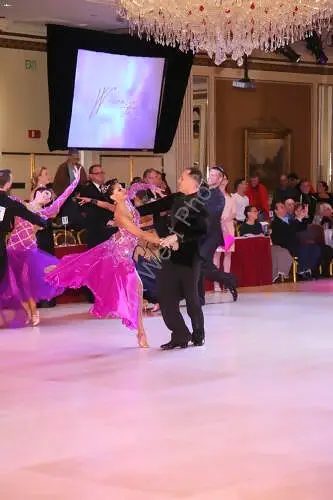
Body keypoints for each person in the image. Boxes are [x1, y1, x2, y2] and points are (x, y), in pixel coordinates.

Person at [45, 180, 162, 348]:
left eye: (122, 187)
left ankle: (140, 331)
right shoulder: (119, 214)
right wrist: (161, 240)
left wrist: (152, 187)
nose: (124, 190)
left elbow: (130, 190)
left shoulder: (124, 200)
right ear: (114, 196)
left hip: (121, 249)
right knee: (132, 287)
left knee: (135, 289)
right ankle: (141, 332)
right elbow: (137, 232)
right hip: (120, 255)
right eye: (120, 189)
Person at [0, 169, 81, 327]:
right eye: (43, 192)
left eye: (49, 196)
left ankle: (34, 312)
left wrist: (75, 181)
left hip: (27, 251)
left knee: (25, 283)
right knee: (14, 285)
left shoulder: (46, 212)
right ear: (35, 193)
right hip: (11, 249)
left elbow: (63, 197)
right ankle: (28, 313)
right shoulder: (18, 203)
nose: (46, 195)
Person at [155, 168, 209, 350]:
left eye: (182, 177)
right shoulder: (176, 198)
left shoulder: (200, 203)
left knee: (191, 298)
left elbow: (201, 230)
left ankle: (198, 333)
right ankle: (180, 334)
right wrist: (122, 209)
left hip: (189, 257)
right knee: (165, 297)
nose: (178, 180)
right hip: (169, 256)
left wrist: (179, 238)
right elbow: (150, 208)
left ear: (193, 181)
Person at [0, 168, 47, 287]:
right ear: (9, 183)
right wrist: (42, 222)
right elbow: (28, 214)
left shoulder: (10, 202)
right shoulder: (9, 202)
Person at [200, 167, 237, 302]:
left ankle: (228, 279)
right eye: (210, 174)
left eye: (214, 175)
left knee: (201, 262)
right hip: (202, 236)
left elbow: (212, 217)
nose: (210, 177)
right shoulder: (203, 192)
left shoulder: (219, 196)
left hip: (212, 236)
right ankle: (228, 280)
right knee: (204, 265)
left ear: (220, 179)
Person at [79, 164, 117, 248]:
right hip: (96, 229)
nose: (101, 175)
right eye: (97, 173)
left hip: (109, 226)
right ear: (91, 176)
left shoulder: (107, 189)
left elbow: (111, 206)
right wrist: (108, 221)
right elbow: (92, 210)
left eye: (102, 172)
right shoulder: (87, 189)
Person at [53, 149, 87, 228]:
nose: (76, 160)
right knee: (66, 216)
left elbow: (84, 182)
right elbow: (59, 183)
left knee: (77, 216)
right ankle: (65, 229)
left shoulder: (80, 167)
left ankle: (77, 230)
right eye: (74, 158)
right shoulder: (63, 167)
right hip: (65, 199)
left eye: (77, 159)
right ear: (69, 157)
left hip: (77, 197)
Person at [213, 171, 236, 286]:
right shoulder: (214, 194)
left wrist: (227, 219)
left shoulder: (230, 196)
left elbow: (234, 212)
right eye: (222, 178)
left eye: (226, 179)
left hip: (228, 228)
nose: (224, 181)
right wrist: (219, 219)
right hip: (217, 228)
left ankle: (227, 282)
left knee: (228, 254)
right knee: (217, 255)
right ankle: (216, 283)